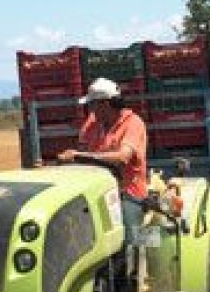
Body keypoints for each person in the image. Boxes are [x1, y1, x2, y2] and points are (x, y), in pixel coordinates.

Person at [57, 77, 148, 244]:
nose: (90, 110)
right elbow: (81, 155)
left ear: (105, 104)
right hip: (95, 191)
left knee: (131, 238)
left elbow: (122, 157)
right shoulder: (92, 124)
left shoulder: (133, 123)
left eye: (92, 105)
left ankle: (137, 260)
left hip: (127, 192)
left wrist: (79, 156)